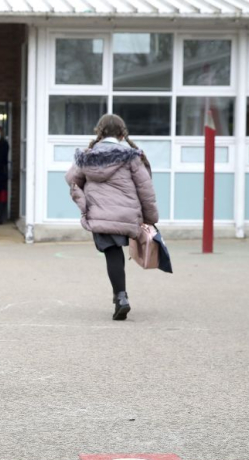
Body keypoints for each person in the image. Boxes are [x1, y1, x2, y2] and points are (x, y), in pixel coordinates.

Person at [65, 114, 158, 320]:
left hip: (100, 213)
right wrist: (150, 218)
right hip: (126, 213)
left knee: (112, 253)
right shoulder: (131, 156)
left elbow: (71, 179)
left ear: (99, 132)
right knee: (117, 252)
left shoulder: (87, 156)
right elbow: (146, 188)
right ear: (122, 134)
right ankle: (120, 297)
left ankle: (121, 298)